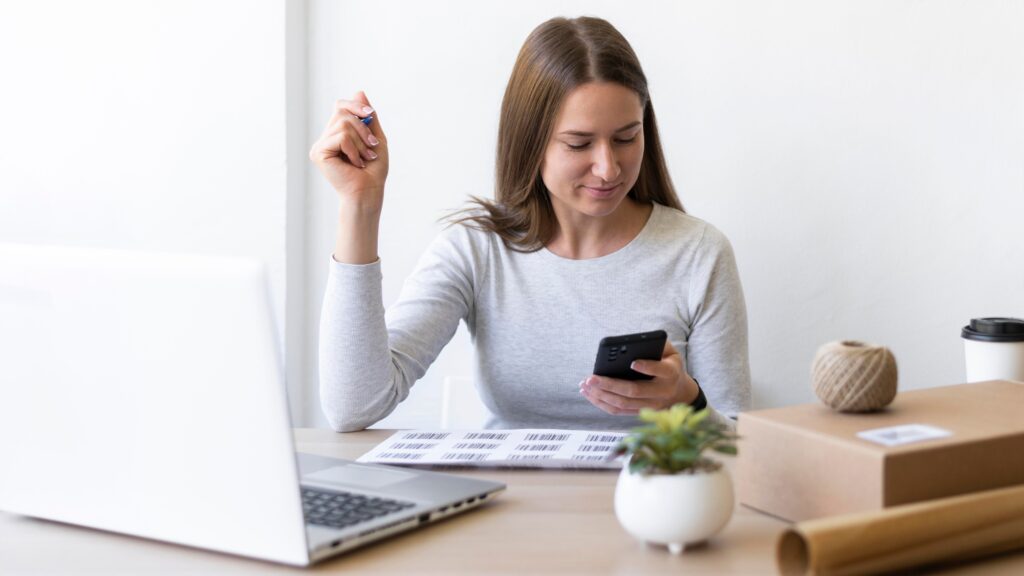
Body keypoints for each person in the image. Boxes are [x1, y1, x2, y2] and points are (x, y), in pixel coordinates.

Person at [310, 16, 751, 432]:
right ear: (530, 141)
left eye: (626, 138)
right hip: (509, 505)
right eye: (579, 143)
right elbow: (354, 406)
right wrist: (360, 204)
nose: (608, 168)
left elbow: (739, 445)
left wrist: (687, 399)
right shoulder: (476, 251)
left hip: (650, 504)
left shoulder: (698, 253)